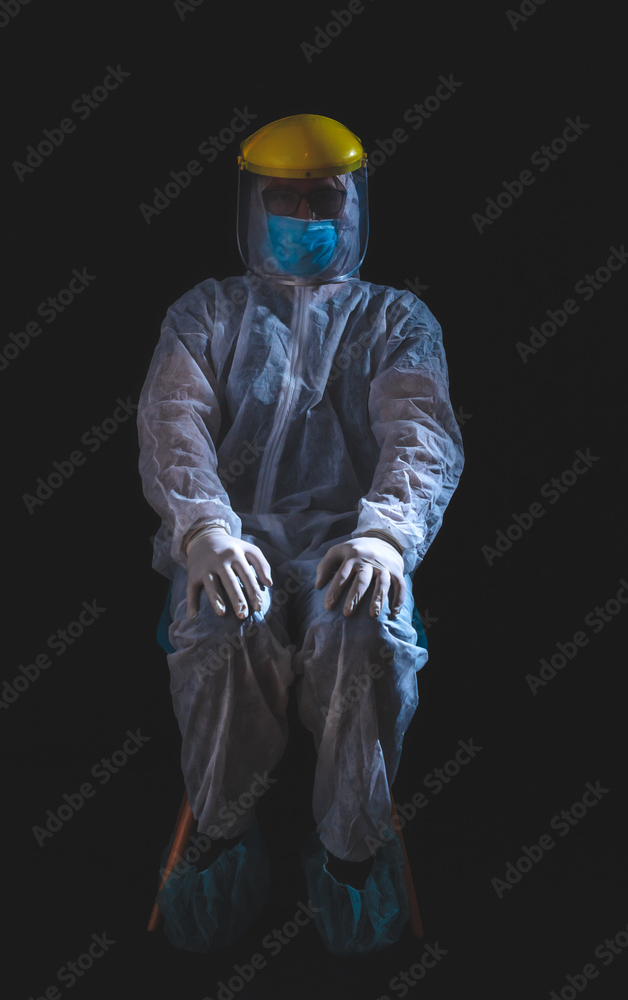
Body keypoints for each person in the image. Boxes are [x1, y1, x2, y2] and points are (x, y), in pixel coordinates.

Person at [137, 114, 464, 956]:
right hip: (232, 539)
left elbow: (418, 435)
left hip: (342, 547)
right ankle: (219, 824)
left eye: (321, 198)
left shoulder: (395, 320)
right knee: (223, 626)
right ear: (253, 204)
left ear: (353, 203)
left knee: (364, 631)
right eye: (285, 199)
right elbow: (174, 426)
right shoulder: (206, 314)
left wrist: (387, 535)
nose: (305, 217)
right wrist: (204, 529)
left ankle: (352, 849)